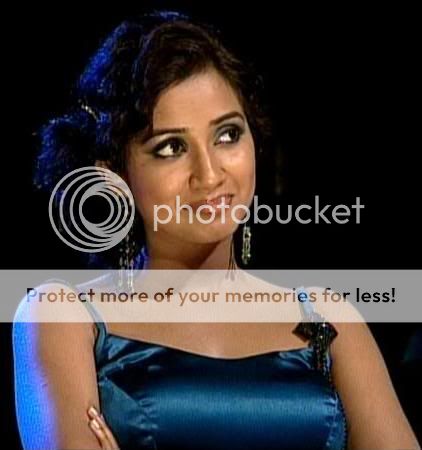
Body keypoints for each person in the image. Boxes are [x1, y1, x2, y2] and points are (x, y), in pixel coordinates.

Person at [13, 10, 419, 450]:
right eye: (171, 147)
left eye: (227, 135)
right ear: (114, 176)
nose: (209, 175)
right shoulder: (64, 316)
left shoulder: (326, 320)